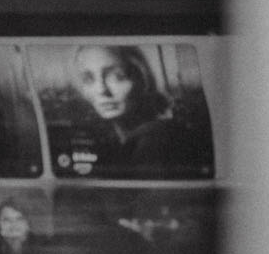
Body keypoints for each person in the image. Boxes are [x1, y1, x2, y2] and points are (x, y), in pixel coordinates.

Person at [69, 44, 200, 178]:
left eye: (118, 76)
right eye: (88, 79)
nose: (101, 90)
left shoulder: (155, 141)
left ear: (142, 79)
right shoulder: (117, 140)